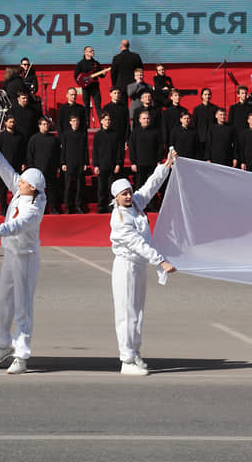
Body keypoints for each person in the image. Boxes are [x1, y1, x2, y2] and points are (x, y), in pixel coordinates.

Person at [0, 137, 46, 375]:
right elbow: (7, 172)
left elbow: (16, 225)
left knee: (22, 306)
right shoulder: (22, 191)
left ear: (32, 187)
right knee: (3, 300)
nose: (19, 181)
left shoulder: (33, 207)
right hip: (11, 254)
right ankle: (2, 344)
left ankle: (21, 356)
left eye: (23, 181)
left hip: (25, 258)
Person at [108, 148, 177, 376]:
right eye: (123, 194)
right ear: (115, 198)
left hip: (137, 266)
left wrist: (165, 166)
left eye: (129, 192)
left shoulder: (135, 204)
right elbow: (138, 243)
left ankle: (135, 353)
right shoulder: (119, 219)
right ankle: (125, 360)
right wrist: (161, 262)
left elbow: (150, 186)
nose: (128, 196)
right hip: (125, 266)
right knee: (126, 313)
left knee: (137, 312)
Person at [26, 117, 61, 214]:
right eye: (44, 124)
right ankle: (40, 209)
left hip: (51, 169)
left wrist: (58, 166)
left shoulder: (54, 139)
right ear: (39, 125)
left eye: (47, 124)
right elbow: (30, 154)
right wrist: (31, 168)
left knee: (51, 190)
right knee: (38, 191)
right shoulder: (33, 139)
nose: (46, 126)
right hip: (38, 170)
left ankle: (53, 208)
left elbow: (58, 154)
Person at [0, 115, 27, 216]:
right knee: (3, 189)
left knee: (18, 189)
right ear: (5, 123)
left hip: (17, 165)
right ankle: (3, 209)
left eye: (13, 122)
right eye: (10, 122)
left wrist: (24, 162)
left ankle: (18, 208)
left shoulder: (20, 136)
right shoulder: (1, 136)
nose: (12, 124)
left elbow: (23, 151)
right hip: (4, 166)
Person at [92, 112, 124, 213]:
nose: (107, 122)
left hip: (112, 165)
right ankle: (101, 206)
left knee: (112, 187)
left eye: (109, 120)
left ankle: (111, 206)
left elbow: (119, 150)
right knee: (101, 187)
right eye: (105, 120)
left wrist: (118, 163)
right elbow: (95, 150)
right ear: (101, 121)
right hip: (101, 165)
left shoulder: (115, 134)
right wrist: (96, 165)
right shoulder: (98, 135)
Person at [60, 114, 89, 214]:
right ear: (70, 122)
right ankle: (68, 206)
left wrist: (86, 162)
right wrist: (63, 162)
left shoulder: (82, 134)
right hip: (69, 162)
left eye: (77, 121)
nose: (75, 123)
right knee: (68, 185)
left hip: (80, 162)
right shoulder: (66, 134)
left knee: (79, 186)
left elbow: (85, 149)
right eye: (73, 121)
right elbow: (63, 149)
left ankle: (78, 205)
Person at [128, 111, 162, 192]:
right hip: (140, 163)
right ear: (140, 120)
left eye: (147, 118)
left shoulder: (155, 132)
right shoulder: (135, 132)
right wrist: (133, 162)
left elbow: (160, 147)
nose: (146, 120)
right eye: (144, 118)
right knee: (139, 185)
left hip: (152, 163)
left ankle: (152, 204)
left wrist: (159, 160)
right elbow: (132, 148)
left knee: (151, 185)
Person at [74, 45, 103, 119]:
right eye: (90, 51)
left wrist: (103, 73)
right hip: (85, 87)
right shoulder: (80, 64)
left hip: (95, 86)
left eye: (93, 51)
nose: (92, 52)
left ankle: (102, 123)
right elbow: (76, 77)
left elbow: (101, 75)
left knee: (98, 106)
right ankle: (86, 125)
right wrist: (82, 83)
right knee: (86, 106)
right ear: (85, 53)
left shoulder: (96, 63)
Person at [192, 88, 219, 159]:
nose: (207, 96)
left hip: (212, 139)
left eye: (209, 94)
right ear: (202, 96)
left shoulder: (215, 109)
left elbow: (217, 124)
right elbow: (194, 124)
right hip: (200, 139)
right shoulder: (197, 109)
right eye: (205, 94)